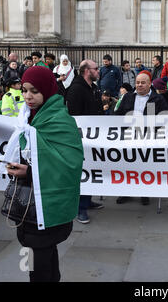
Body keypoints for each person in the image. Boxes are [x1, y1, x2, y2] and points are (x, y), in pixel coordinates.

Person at [0, 66, 84, 282]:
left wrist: (30, 171)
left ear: (47, 89)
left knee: (39, 266)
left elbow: (69, 165)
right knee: (41, 261)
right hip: (30, 208)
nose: (27, 96)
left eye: (34, 91)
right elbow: (18, 152)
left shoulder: (59, 120)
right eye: (24, 90)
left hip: (47, 207)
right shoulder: (27, 117)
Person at [114, 71, 168, 205]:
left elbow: (166, 118)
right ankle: (126, 192)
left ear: (150, 84)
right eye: (137, 82)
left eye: (143, 83)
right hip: (129, 138)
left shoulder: (158, 99)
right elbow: (116, 115)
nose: (139, 85)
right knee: (127, 166)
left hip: (148, 139)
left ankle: (144, 193)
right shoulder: (127, 97)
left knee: (145, 167)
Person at [66, 60, 104, 223]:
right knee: (81, 172)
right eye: (96, 69)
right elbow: (75, 115)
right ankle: (80, 208)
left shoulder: (92, 88)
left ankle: (87, 201)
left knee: (90, 169)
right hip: (81, 138)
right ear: (87, 71)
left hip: (93, 137)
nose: (98, 71)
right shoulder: (76, 89)